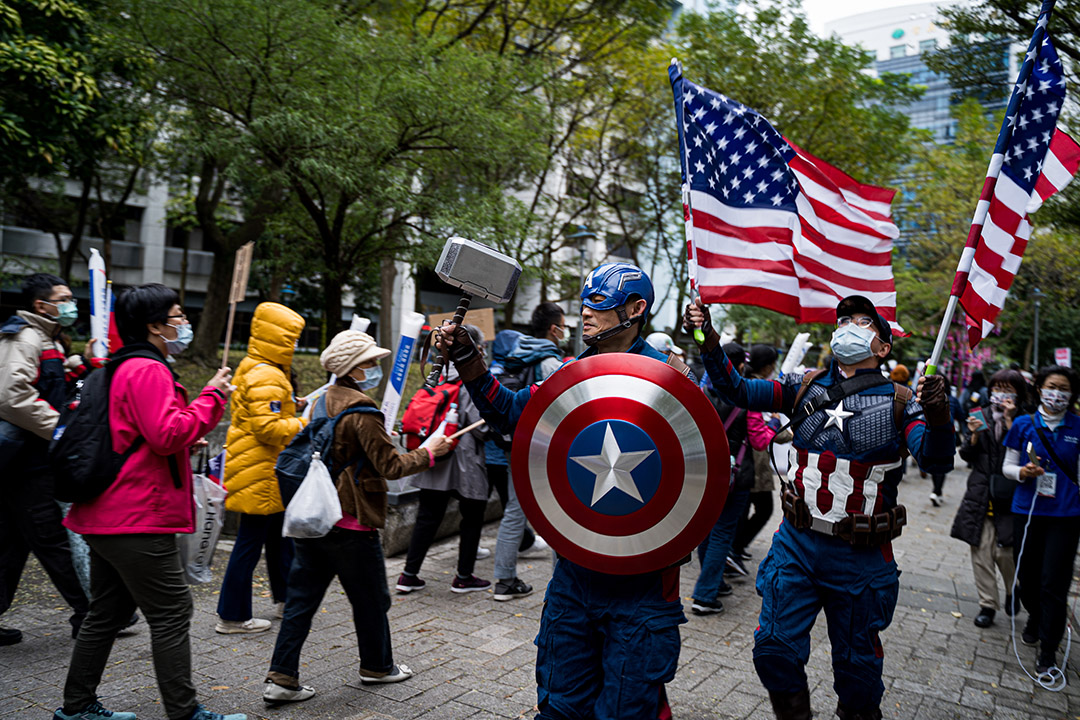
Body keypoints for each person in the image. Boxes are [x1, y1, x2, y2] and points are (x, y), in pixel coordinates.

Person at [436, 263, 689, 720]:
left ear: (636, 309)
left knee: (627, 710)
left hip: (643, 581)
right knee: (559, 708)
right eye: (584, 304)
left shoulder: (672, 382)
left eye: (600, 304)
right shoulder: (572, 375)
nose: (586, 314)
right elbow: (511, 413)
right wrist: (469, 359)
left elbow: (696, 474)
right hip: (575, 573)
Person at [685, 294, 954, 720]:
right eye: (844, 319)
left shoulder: (903, 403)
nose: (849, 325)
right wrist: (706, 338)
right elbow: (734, 389)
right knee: (773, 652)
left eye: (863, 321)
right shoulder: (804, 387)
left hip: (863, 561)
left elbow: (937, 461)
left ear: (884, 347)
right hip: (796, 547)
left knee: (858, 676)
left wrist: (939, 414)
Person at [55, 283, 243, 720]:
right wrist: (213, 395)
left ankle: (77, 707)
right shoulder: (148, 370)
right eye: (177, 316)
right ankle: (184, 712)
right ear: (154, 325)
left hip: (106, 513)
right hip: (136, 515)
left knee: (106, 613)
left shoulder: (119, 367)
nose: (184, 323)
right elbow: (168, 434)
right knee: (172, 611)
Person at [262, 330, 452, 704]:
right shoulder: (364, 411)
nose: (376, 368)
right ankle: (377, 666)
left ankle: (281, 678)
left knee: (300, 602)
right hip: (352, 522)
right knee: (371, 599)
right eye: (370, 363)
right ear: (355, 368)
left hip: (314, 520)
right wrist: (431, 452)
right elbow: (391, 466)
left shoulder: (320, 401)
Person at [0, 272, 92, 646]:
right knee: (51, 539)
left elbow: (44, 384)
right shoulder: (23, 337)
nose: (71, 304)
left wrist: (76, 366)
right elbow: (12, 396)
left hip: (28, 460)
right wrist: (60, 430)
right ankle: (90, 613)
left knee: (10, 541)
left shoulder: (44, 338)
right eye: (64, 298)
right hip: (27, 462)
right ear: (42, 305)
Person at [215, 302, 307, 634]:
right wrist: (302, 422)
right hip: (261, 469)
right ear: (278, 338)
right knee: (250, 542)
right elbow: (268, 429)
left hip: (259, 467)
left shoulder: (255, 366)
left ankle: (286, 599)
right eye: (292, 338)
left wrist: (289, 407)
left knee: (278, 537)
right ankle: (233, 615)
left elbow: (262, 414)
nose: (295, 346)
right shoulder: (267, 373)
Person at [397, 324, 492, 594]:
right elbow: (481, 426)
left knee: (427, 518)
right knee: (472, 518)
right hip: (465, 462)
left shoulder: (435, 375)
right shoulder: (470, 377)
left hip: (435, 456)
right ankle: (464, 577)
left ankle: (408, 575)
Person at [1002, 365, 1080, 675]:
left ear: (1072, 395)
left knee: (1054, 583)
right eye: (1052, 386)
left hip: (1066, 516)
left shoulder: (1077, 426)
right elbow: (1007, 466)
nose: (1057, 393)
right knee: (1029, 578)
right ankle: (1034, 615)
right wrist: (1021, 472)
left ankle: (1049, 648)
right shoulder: (1022, 423)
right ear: (1039, 389)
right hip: (1027, 511)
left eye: (1064, 388)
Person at [486, 302, 564, 601]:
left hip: (514, 444)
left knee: (515, 511)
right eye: (563, 326)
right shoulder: (550, 361)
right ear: (554, 329)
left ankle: (504, 580)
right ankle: (563, 581)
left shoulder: (514, 353)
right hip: (544, 448)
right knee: (558, 511)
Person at [950, 369, 1026, 629]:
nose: (1001, 394)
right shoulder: (979, 414)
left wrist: (1009, 423)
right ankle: (987, 605)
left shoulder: (1025, 420)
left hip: (1011, 494)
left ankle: (1013, 589)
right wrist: (971, 436)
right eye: (997, 388)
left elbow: (1027, 456)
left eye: (1008, 389)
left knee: (1006, 552)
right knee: (981, 552)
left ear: (1018, 394)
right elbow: (967, 456)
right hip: (980, 492)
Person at [691, 342, 754, 614]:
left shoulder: (700, 394)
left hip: (705, 473)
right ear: (739, 366)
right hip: (736, 476)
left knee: (706, 529)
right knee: (722, 533)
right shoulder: (747, 399)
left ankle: (713, 583)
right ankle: (705, 595)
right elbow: (761, 440)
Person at [732, 344, 792, 565]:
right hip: (752, 463)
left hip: (745, 461)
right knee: (762, 508)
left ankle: (735, 549)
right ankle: (734, 549)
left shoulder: (747, 384)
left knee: (745, 509)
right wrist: (777, 423)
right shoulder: (758, 390)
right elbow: (759, 436)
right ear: (768, 366)